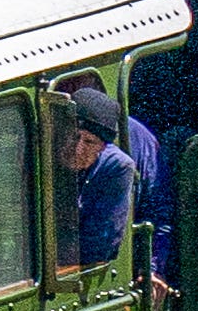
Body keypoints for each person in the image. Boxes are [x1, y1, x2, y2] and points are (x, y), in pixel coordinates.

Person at [54, 81, 165, 281]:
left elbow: (98, 246)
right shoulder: (43, 153)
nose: (78, 149)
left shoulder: (117, 168)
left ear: (102, 148)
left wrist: (152, 267)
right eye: (74, 136)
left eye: (89, 142)